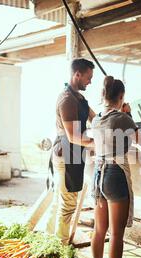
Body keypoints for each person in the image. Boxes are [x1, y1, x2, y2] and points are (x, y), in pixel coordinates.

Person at [90, 76, 141, 258]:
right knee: (116, 233)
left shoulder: (96, 119)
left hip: (98, 174)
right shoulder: (123, 119)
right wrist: (129, 114)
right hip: (115, 175)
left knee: (100, 229)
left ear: (103, 95)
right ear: (121, 97)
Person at [47, 58, 96, 244]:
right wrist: (97, 144)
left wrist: (114, 113)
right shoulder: (67, 99)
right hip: (66, 152)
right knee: (68, 203)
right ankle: (60, 246)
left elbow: (95, 119)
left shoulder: (79, 98)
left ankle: (48, 239)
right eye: (88, 77)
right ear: (77, 74)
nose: (90, 81)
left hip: (74, 152)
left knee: (60, 199)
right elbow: (73, 136)